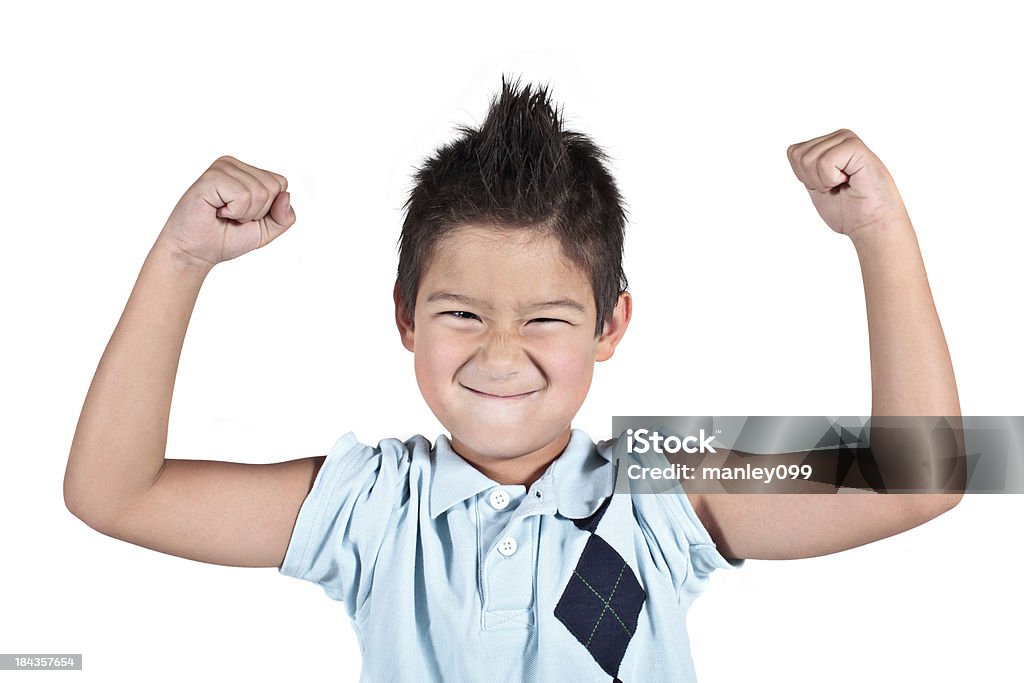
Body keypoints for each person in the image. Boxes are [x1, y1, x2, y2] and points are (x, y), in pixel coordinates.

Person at [63, 76, 963, 681]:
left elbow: (920, 476)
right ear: (406, 319)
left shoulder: (662, 484)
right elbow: (114, 494)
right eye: (461, 313)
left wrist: (879, 229)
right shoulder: (374, 508)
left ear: (610, 324)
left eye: (545, 318)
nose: (499, 354)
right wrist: (182, 258)